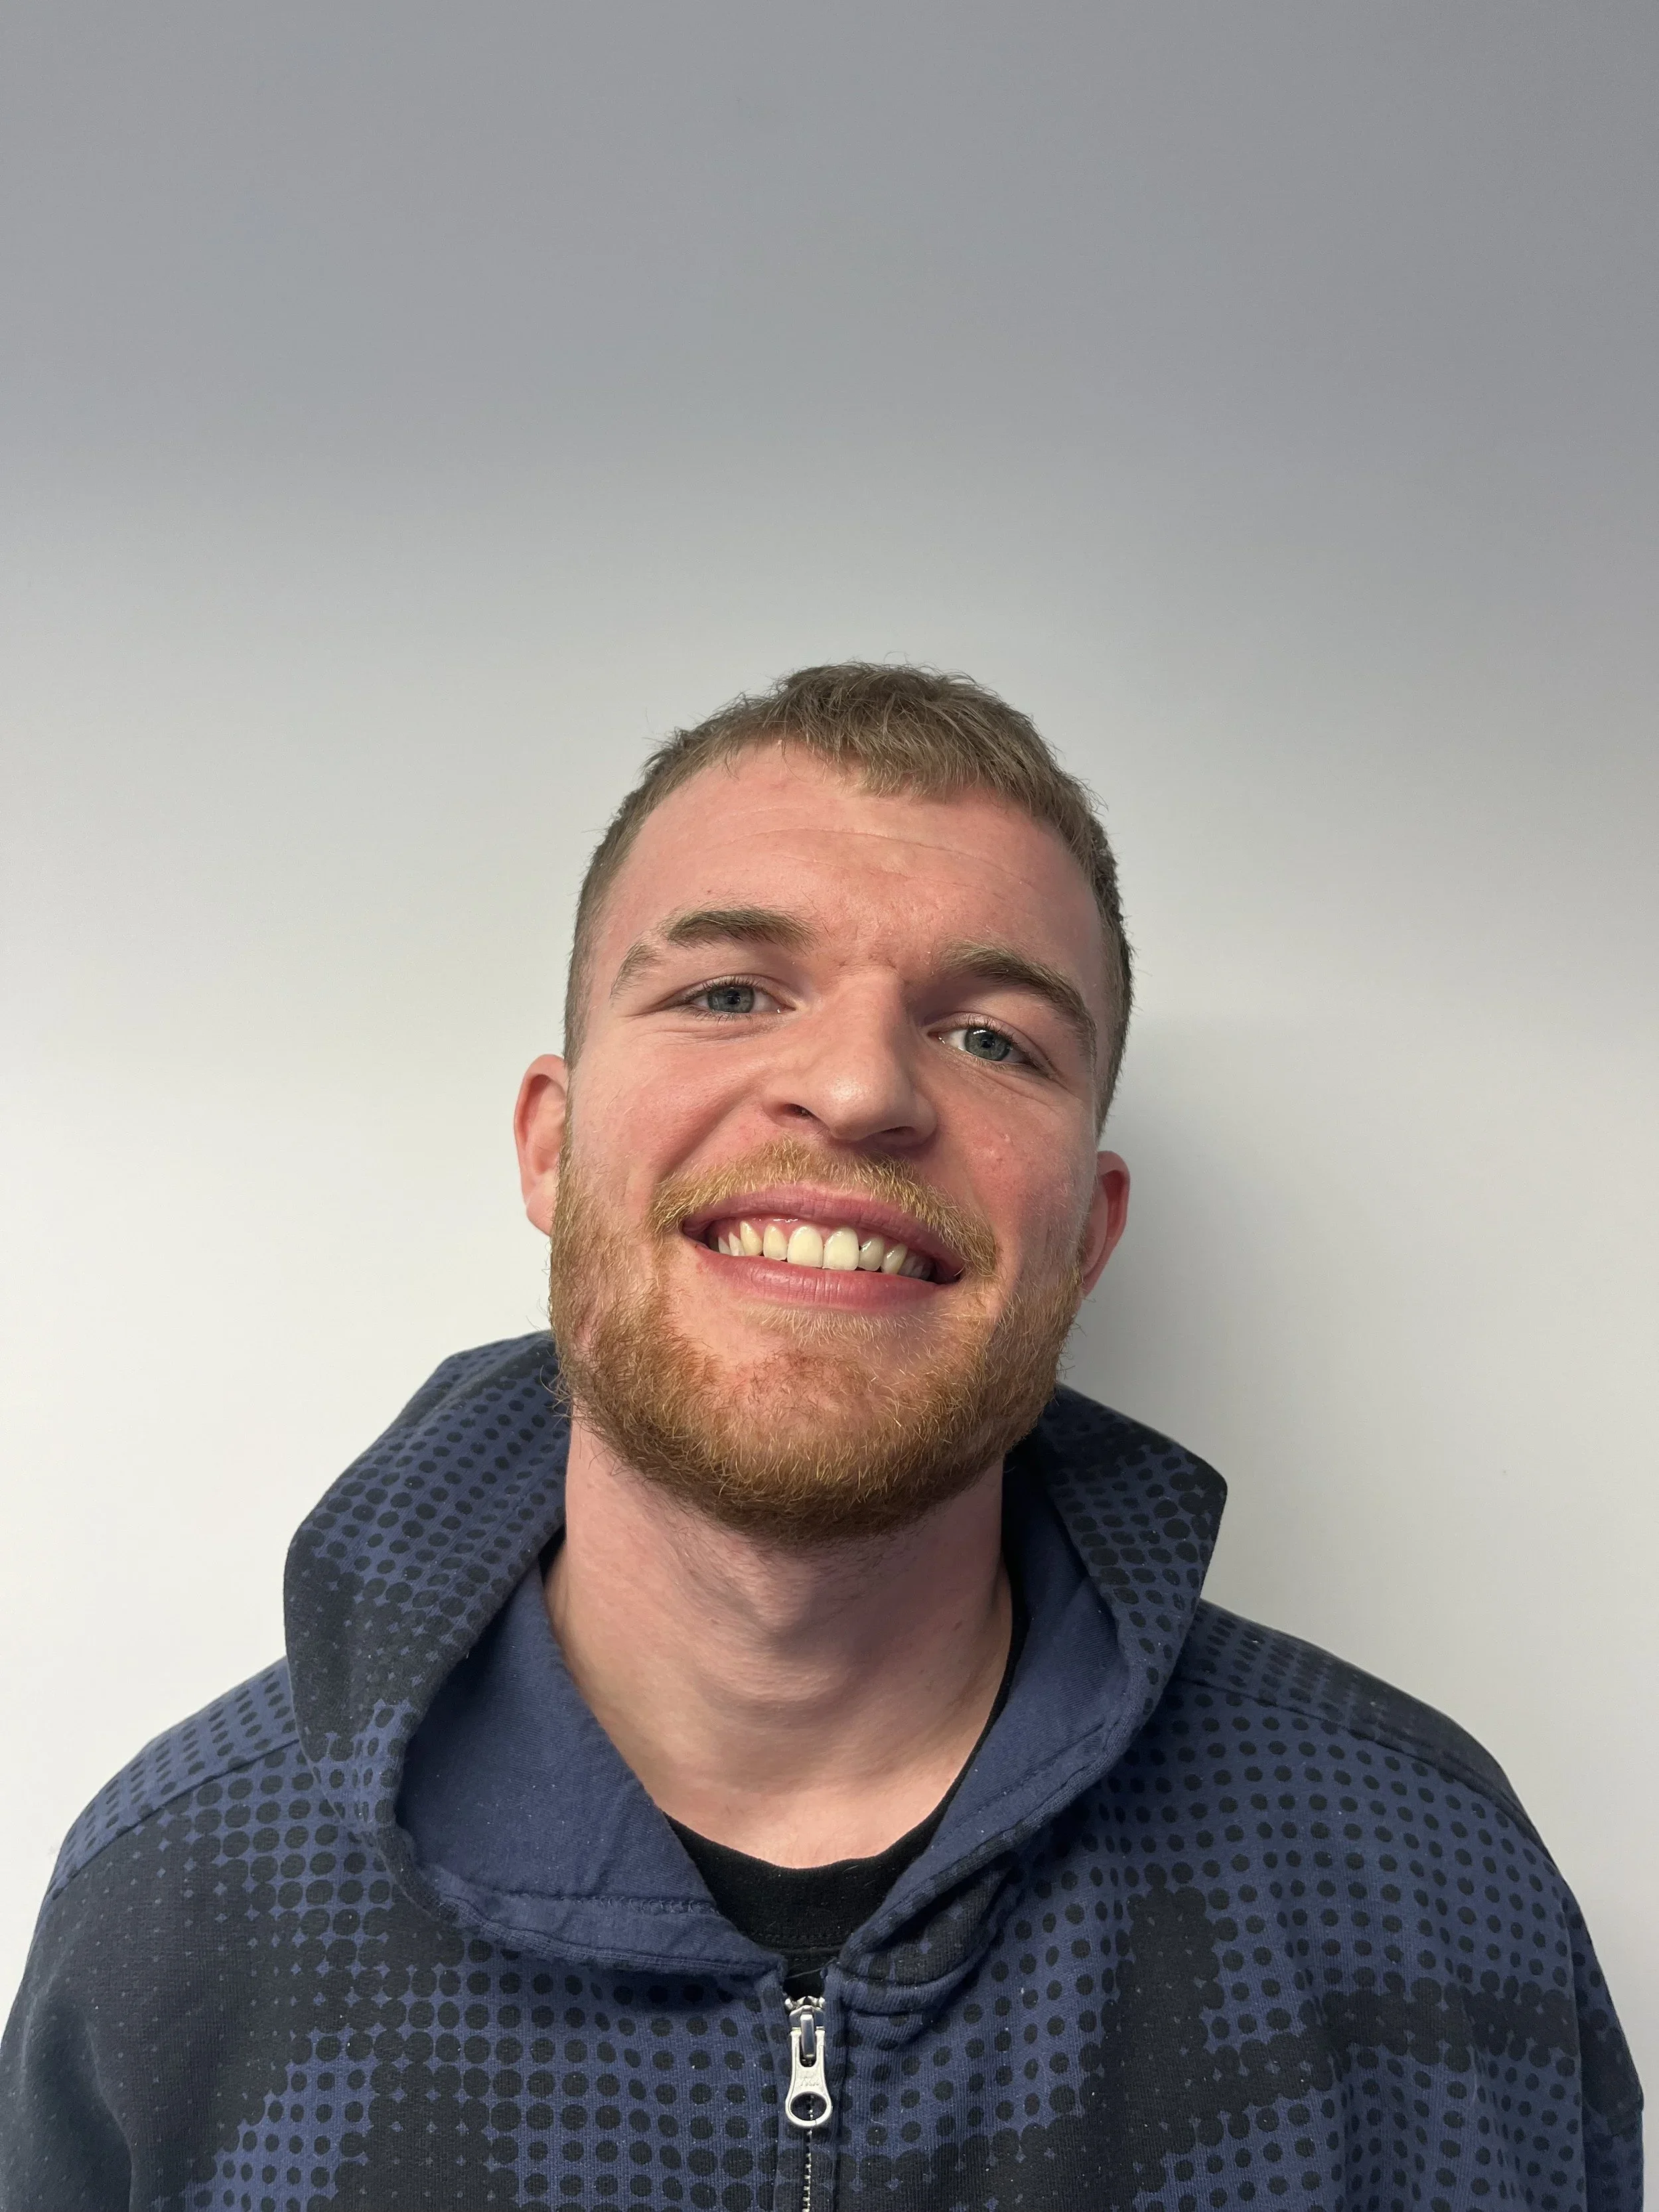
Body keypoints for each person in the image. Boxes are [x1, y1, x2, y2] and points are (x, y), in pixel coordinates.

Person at [0, 664, 1640, 2211]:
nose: (857, 1087)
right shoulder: (175, 1911)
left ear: (1085, 1232)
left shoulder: (1422, 1886)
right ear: (551, 1149)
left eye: (991, 1036)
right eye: (728, 991)